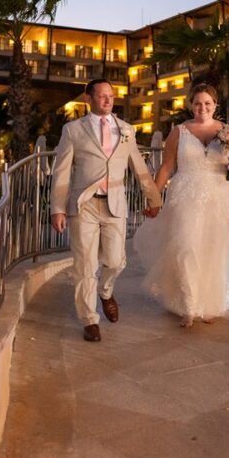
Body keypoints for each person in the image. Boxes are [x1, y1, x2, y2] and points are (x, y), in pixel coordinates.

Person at [50, 79, 163, 342]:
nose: (107, 100)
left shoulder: (126, 130)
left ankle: (106, 291)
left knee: (115, 261)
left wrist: (153, 198)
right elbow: (62, 172)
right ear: (88, 99)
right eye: (101, 96)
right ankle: (90, 320)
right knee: (85, 266)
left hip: (114, 204)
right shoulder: (72, 130)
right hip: (84, 205)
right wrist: (57, 208)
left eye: (110, 96)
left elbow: (138, 166)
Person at [133, 83, 229, 328]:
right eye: (197, 103)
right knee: (185, 246)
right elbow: (167, 167)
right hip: (185, 194)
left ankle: (208, 304)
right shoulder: (179, 132)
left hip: (218, 195)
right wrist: (154, 196)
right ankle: (188, 305)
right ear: (191, 105)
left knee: (212, 249)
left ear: (215, 105)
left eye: (207, 103)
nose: (202, 108)